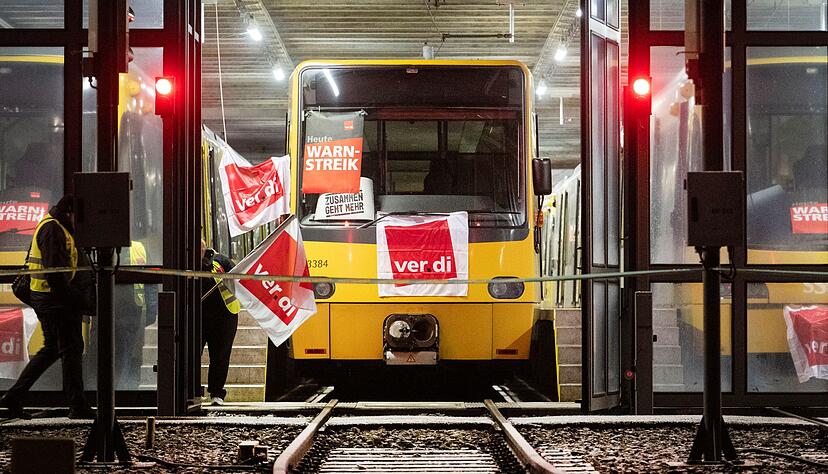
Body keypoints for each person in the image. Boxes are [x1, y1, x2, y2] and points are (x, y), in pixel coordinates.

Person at [0, 195, 95, 419]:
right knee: (71, 348)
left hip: (50, 299)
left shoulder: (56, 226)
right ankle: (77, 404)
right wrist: (75, 300)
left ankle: (14, 397)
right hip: (54, 300)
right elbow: (56, 275)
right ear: (71, 213)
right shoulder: (53, 230)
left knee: (53, 348)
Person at [200, 242, 240, 406]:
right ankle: (192, 391)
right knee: (192, 356)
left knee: (220, 357)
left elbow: (237, 280)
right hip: (198, 318)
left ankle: (217, 393)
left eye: (200, 248)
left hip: (225, 316)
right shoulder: (186, 264)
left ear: (205, 248)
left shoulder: (220, 261)